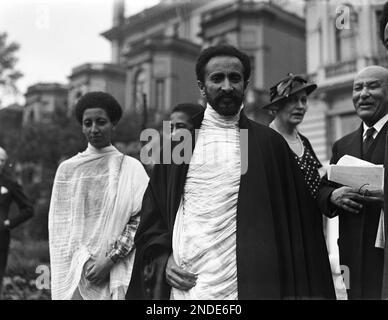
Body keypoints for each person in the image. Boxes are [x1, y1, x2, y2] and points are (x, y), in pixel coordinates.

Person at [126, 45, 335, 300]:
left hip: (254, 284)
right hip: (188, 287)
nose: (227, 86)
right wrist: (163, 257)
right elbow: (153, 217)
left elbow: (298, 221)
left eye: (234, 78)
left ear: (245, 84)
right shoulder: (180, 145)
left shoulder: (268, 143)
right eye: (217, 78)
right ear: (202, 87)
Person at [48, 91, 149, 300]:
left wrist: (110, 259)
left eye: (101, 122)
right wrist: (80, 263)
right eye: (87, 123)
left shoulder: (131, 168)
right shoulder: (68, 171)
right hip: (77, 273)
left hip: (117, 269)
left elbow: (142, 219)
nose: (94, 129)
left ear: (114, 124)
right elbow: (60, 229)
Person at [318, 66, 388, 300]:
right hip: (350, 258)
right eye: (358, 88)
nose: (363, 93)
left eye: (373, 86)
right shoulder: (342, 145)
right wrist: (332, 196)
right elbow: (323, 190)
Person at [263, 73, 322, 198]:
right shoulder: (264, 142)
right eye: (292, 100)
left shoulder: (304, 142)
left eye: (303, 100)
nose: (300, 106)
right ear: (276, 106)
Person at [0, 147, 34, 298]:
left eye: (2, 160)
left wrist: (8, 223)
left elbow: (28, 209)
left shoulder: (10, 183)